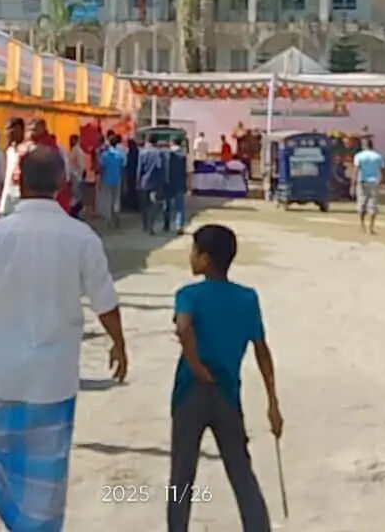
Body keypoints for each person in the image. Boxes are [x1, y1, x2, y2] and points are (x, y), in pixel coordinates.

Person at [0, 147, 128, 532]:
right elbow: (105, 300)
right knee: (46, 463)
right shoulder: (81, 237)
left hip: (4, 372)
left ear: (19, 179)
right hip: (54, 376)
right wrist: (119, 343)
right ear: (62, 183)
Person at [169, 224, 278, 532]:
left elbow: (183, 327)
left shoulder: (188, 294)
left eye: (194, 251)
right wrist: (272, 402)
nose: (190, 257)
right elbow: (261, 350)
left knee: (182, 475)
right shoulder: (247, 298)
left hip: (190, 390)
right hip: (227, 392)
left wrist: (195, 364)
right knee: (241, 471)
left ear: (205, 259)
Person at [353, 140, 385, 235]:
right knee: (373, 204)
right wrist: (383, 181)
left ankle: (362, 225)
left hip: (362, 181)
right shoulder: (377, 156)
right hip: (374, 181)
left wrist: (353, 182)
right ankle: (371, 227)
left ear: (364, 146)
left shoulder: (359, 156)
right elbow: (382, 169)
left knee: (361, 202)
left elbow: (356, 169)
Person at [0, 118, 27, 217]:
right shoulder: (8, 151)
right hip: (7, 199)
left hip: (20, 200)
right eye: (8, 130)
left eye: (13, 130)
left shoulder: (27, 151)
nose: (10, 133)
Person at [138, 140, 169, 235]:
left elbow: (139, 169)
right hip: (156, 183)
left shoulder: (142, 153)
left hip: (144, 182)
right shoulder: (159, 154)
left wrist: (138, 181)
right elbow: (162, 168)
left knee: (144, 205)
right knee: (154, 205)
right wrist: (165, 181)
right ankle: (151, 225)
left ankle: (145, 225)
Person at [96, 134, 125, 230]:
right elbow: (122, 168)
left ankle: (109, 220)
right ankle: (116, 216)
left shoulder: (105, 155)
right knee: (116, 199)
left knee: (108, 199)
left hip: (106, 179)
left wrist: (100, 179)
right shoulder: (119, 155)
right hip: (117, 179)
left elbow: (101, 168)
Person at [162, 142, 189, 233]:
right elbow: (185, 172)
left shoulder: (165, 155)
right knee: (179, 207)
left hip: (167, 184)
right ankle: (179, 226)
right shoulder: (183, 156)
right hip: (179, 183)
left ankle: (166, 224)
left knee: (166, 205)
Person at [67, 133, 93, 220]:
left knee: (77, 195)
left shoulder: (77, 151)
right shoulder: (73, 150)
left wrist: (79, 175)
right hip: (74, 176)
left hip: (77, 176)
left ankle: (74, 212)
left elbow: (81, 165)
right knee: (76, 195)